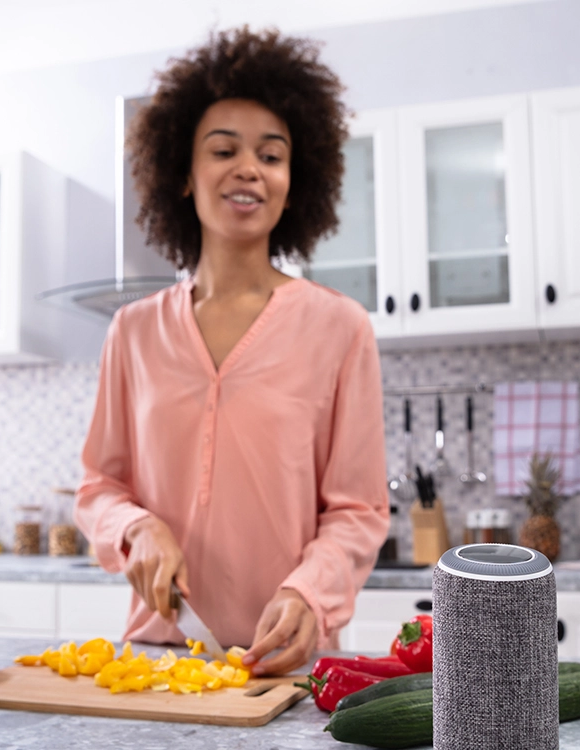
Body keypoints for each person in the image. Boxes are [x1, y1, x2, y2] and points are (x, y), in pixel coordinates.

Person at [73, 27, 389, 677]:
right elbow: (99, 488)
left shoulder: (340, 327)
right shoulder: (132, 332)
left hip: (285, 664)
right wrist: (135, 528)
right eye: (223, 150)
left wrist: (310, 592)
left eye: (271, 156)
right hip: (158, 659)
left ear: (293, 182)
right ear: (184, 175)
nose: (249, 168)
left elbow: (357, 512)